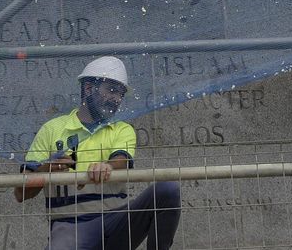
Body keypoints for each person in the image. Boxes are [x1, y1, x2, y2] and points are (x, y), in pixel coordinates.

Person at [16, 56, 180, 250]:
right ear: (88, 88)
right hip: (70, 228)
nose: (116, 99)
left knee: (168, 190)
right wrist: (47, 170)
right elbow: (20, 193)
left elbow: (122, 161)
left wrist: (107, 166)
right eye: (111, 90)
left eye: (120, 94)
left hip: (116, 222)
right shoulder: (51, 130)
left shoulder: (122, 129)